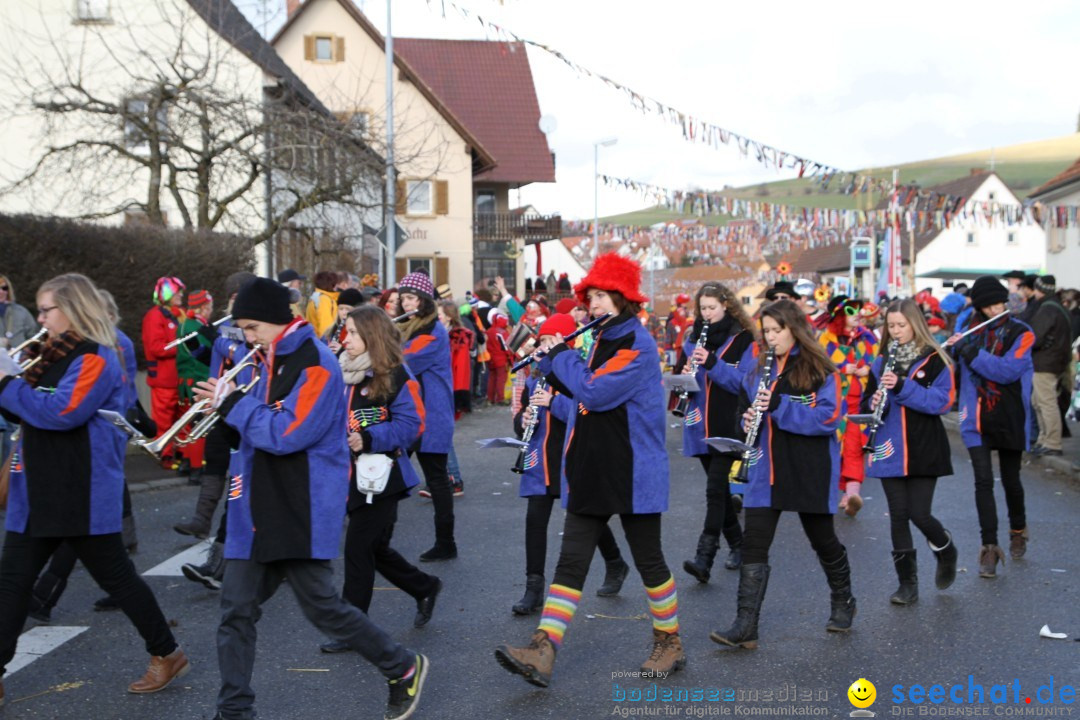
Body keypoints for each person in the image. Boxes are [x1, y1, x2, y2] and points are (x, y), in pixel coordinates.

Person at [193, 277, 428, 720]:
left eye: (251, 327)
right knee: (235, 612)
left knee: (324, 609)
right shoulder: (270, 358)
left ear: (276, 322)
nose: (246, 337)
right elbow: (258, 425)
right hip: (257, 506)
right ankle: (234, 711)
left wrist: (233, 406)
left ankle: (402, 666)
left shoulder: (316, 363)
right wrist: (225, 410)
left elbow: (287, 434)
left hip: (297, 506)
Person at [495, 253, 685, 688]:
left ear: (624, 299)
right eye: (590, 297)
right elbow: (578, 391)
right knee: (571, 562)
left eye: (602, 296)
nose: (594, 305)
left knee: (649, 562)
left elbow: (595, 392)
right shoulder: (597, 340)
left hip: (632, 471)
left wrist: (560, 356)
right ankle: (543, 648)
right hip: (592, 467)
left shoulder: (638, 346)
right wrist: (548, 360)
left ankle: (669, 641)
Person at [0, 273, 190, 703]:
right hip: (41, 487)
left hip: (77, 489)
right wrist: (11, 385)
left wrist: (7, 385)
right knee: (11, 583)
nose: (42, 318)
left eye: (47, 310)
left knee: (119, 580)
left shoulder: (97, 358)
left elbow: (61, 411)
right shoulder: (48, 354)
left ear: (71, 309)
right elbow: (29, 413)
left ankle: (167, 652)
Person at [710, 300, 853, 651]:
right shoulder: (759, 370)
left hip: (809, 467)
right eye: (767, 331)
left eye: (778, 331)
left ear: (795, 329)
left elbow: (828, 419)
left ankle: (843, 600)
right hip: (767, 467)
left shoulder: (822, 371)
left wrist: (781, 406)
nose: (771, 338)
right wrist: (746, 421)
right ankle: (746, 626)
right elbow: (746, 413)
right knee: (755, 543)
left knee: (823, 539)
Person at [319, 306, 442, 654]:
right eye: (346, 331)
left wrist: (369, 438)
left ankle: (352, 629)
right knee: (375, 548)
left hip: (381, 476)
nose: (347, 339)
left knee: (358, 548)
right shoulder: (340, 369)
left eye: (355, 333)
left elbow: (412, 425)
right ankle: (425, 587)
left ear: (373, 336)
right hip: (345, 474)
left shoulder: (396, 375)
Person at [510, 313, 629, 616]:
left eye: (551, 340)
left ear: (567, 343)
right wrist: (521, 419)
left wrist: (554, 403)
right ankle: (533, 587)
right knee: (534, 520)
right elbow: (523, 417)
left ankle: (615, 562)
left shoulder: (578, 372)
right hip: (539, 460)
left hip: (569, 455)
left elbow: (586, 409)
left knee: (586, 516)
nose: (544, 346)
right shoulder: (536, 376)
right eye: (543, 340)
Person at [862, 299, 958, 605]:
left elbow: (941, 402)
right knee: (898, 515)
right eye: (891, 326)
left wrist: (902, 386)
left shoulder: (935, 359)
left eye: (901, 325)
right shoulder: (881, 362)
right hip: (889, 446)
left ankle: (945, 548)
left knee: (919, 513)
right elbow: (867, 402)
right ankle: (907, 584)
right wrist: (876, 401)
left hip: (924, 447)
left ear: (915, 325)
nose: (896, 331)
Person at [946, 276, 1034, 577]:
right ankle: (989, 548)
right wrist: (953, 351)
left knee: (1011, 479)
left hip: (1010, 416)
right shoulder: (970, 332)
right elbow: (955, 371)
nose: (998, 307)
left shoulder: (1023, 333)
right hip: (976, 418)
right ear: (981, 308)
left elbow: (1007, 371)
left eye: (1000, 302)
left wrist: (969, 352)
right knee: (983, 481)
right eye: (990, 304)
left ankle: (1018, 529)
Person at [676, 283, 756, 583]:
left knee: (713, 490)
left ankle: (704, 557)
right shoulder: (693, 338)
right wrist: (683, 379)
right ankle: (739, 544)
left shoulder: (744, 339)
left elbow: (743, 384)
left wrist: (711, 362)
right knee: (719, 491)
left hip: (728, 423)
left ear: (727, 305)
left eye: (712, 308)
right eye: (703, 309)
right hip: (699, 423)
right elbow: (689, 381)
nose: (707, 314)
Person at [397, 272, 458, 561]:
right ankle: (377, 535)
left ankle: (446, 543)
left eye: (410, 298)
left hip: (430, 415)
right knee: (390, 472)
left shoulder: (433, 332)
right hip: (412, 414)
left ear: (423, 301)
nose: (405, 303)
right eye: (403, 299)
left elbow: (403, 359)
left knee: (436, 480)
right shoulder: (409, 327)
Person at [818, 295, 878, 517]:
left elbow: (877, 361)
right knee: (833, 450)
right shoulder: (825, 340)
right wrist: (842, 369)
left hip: (858, 406)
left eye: (858, 311)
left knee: (853, 449)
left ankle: (852, 494)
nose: (858, 315)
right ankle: (832, 493)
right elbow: (818, 367)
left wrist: (868, 369)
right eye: (851, 312)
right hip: (834, 405)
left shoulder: (868, 338)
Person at [141, 275, 186, 470]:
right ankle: (165, 456)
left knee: (182, 419)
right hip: (163, 379)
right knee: (163, 420)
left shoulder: (179, 314)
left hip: (179, 378)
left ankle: (182, 455)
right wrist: (184, 347)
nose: (181, 296)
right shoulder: (154, 316)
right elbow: (157, 348)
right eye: (178, 292)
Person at [1027, 275, 1071, 457]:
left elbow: (1035, 337)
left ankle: (1051, 442)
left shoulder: (1047, 309)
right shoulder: (1059, 308)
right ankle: (1044, 440)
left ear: (1040, 289)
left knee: (1045, 402)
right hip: (1055, 361)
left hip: (1045, 363)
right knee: (1040, 401)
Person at [175, 289, 216, 481]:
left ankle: (186, 462)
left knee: (190, 424)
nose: (210, 311)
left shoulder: (188, 324)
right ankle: (195, 469)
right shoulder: (193, 327)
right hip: (197, 380)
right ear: (203, 307)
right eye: (209, 307)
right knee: (199, 425)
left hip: (188, 381)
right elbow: (202, 355)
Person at [0, 274, 39, 463]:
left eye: (5, 287)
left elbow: (34, 335)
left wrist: (28, 353)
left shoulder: (20, 311)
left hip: (17, 370)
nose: (1, 291)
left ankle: (9, 469)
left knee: (11, 426)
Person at [437, 300, 472, 496]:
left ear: (448, 316)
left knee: (443, 438)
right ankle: (446, 479)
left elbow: (461, 371)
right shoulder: (441, 336)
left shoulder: (457, 339)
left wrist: (458, 397)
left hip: (448, 393)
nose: (436, 317)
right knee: (440, 438)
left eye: (439, 314)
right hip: (442, 391)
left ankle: (453, 479)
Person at [305, 270, 340, 340]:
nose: (337, 286)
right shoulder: (324, 300)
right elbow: (326, 327)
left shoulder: (317, 297)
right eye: (335, 283)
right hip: (323, 342)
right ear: (330, 284)